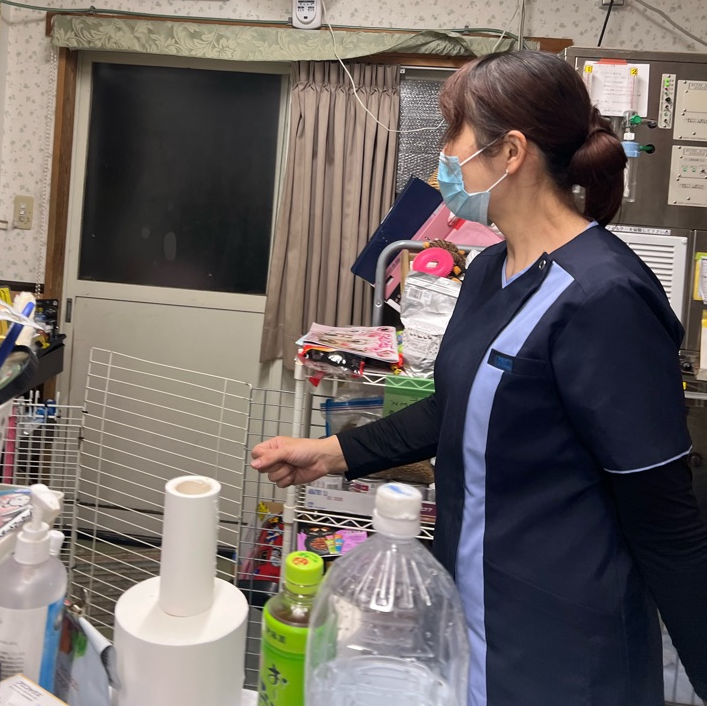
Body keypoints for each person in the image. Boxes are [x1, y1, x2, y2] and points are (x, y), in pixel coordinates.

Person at [251, 50, 707, 706]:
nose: (443, 155)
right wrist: (329, 453)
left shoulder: (606, 297)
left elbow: (666, 522)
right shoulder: (491, 270)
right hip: (471, 616)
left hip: (568, 651)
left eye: (453, 134)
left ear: (511, 152)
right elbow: (457, 410)